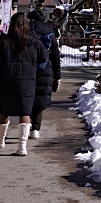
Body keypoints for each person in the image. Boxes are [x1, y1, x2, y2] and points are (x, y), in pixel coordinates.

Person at [0, 11, 48, 156]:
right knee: (25, 112)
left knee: (4, 111)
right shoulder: (35, 42)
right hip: (28, 81)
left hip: (7, 80)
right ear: (27, 25)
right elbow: (44, 59)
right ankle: (22, 147)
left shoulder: (4, 42)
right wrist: (35, 69)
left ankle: (0, 141)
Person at [27, 9, 61, 140]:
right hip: (46, 69)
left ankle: (25, 125)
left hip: (28, 68)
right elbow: (56, 57)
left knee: (27, 96)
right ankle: (35, 129)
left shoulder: (25, 31)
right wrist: (58, 76)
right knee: (40, 98)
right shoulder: (50, 34)